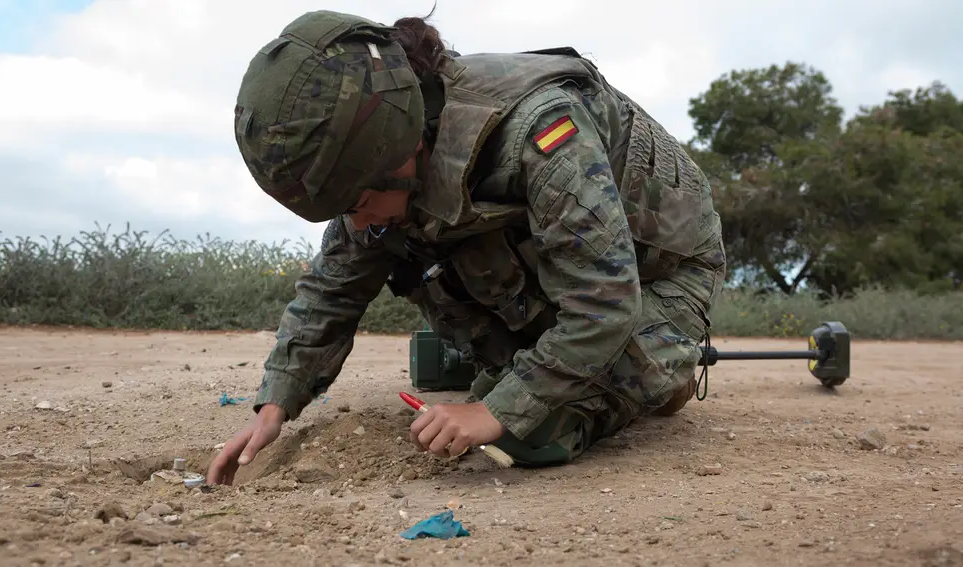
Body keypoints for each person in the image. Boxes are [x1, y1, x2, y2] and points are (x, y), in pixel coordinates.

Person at [207, 8, 726, 485]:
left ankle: (662, 365)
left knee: (530, 433)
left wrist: (499, 410)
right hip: (562, 274)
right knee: (456, 352)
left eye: (361, 200)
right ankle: (537, 359)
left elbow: (603, 304)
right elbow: (334, 288)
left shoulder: (542, 132)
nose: (356, 220)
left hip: (659, 273)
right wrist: (274, 406)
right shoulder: (377, 158)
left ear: (405, 145)